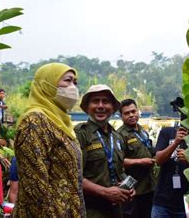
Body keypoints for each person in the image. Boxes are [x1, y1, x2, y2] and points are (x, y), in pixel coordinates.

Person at [13, 62, 85, 217]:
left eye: (75, 82)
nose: (73, 87)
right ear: (47, 84)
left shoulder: (61, 122)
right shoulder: (34, 122)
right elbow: (35, 185)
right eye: (67, 80)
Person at [75, 84, 134, 218]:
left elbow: (119, 170)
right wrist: (106, 192)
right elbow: (73, 177)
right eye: (95, 101)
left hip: (116, 210)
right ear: (87, 107)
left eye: (106, 101)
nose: (100, 106)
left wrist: (128, 185)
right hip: (91, 211)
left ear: (113, 108)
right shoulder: (80, 134)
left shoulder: (117, 137)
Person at [117, 99, 155, 218]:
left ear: (138, 111)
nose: (131, 115)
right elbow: (118, 162)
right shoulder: (119, 135)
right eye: (127, 113)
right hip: (133, 190)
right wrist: (140, 162)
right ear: (121, 116)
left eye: (133, 111)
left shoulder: (142, 130)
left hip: (149, 186)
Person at [151, 125, 189, 218]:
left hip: (187, 203)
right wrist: (175, 142)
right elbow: (158, 160)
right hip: (162, 201)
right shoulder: (167, 132)